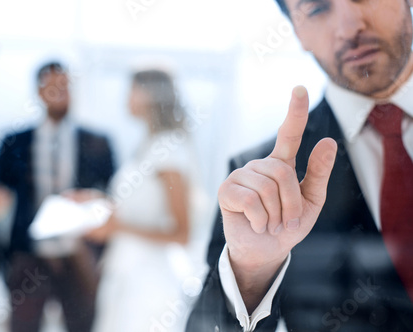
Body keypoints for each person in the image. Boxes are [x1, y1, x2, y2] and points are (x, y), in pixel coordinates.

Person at [187, 0, 413, 331]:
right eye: (318, 9)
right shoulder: (261, 185)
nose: (350, 27)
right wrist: (251, 274)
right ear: (296, 30)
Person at [0, 62, 115, 332]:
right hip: (29, 255)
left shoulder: (97, 142)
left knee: (83, 325)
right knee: (22, 325)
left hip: (79, 256)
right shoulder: (14, 142)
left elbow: (113, 198)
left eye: (65, 86)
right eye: (52, 86)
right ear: (39, 92)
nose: (59, 92)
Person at [89, 69, 203, 332]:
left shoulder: (170, 151)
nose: (126, 99)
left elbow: (182, 232)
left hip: (149, 284)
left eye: (132, 90)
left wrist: (117, 227)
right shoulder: (148, 145)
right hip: (126, 274)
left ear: (151, 95)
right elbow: (138, 209)